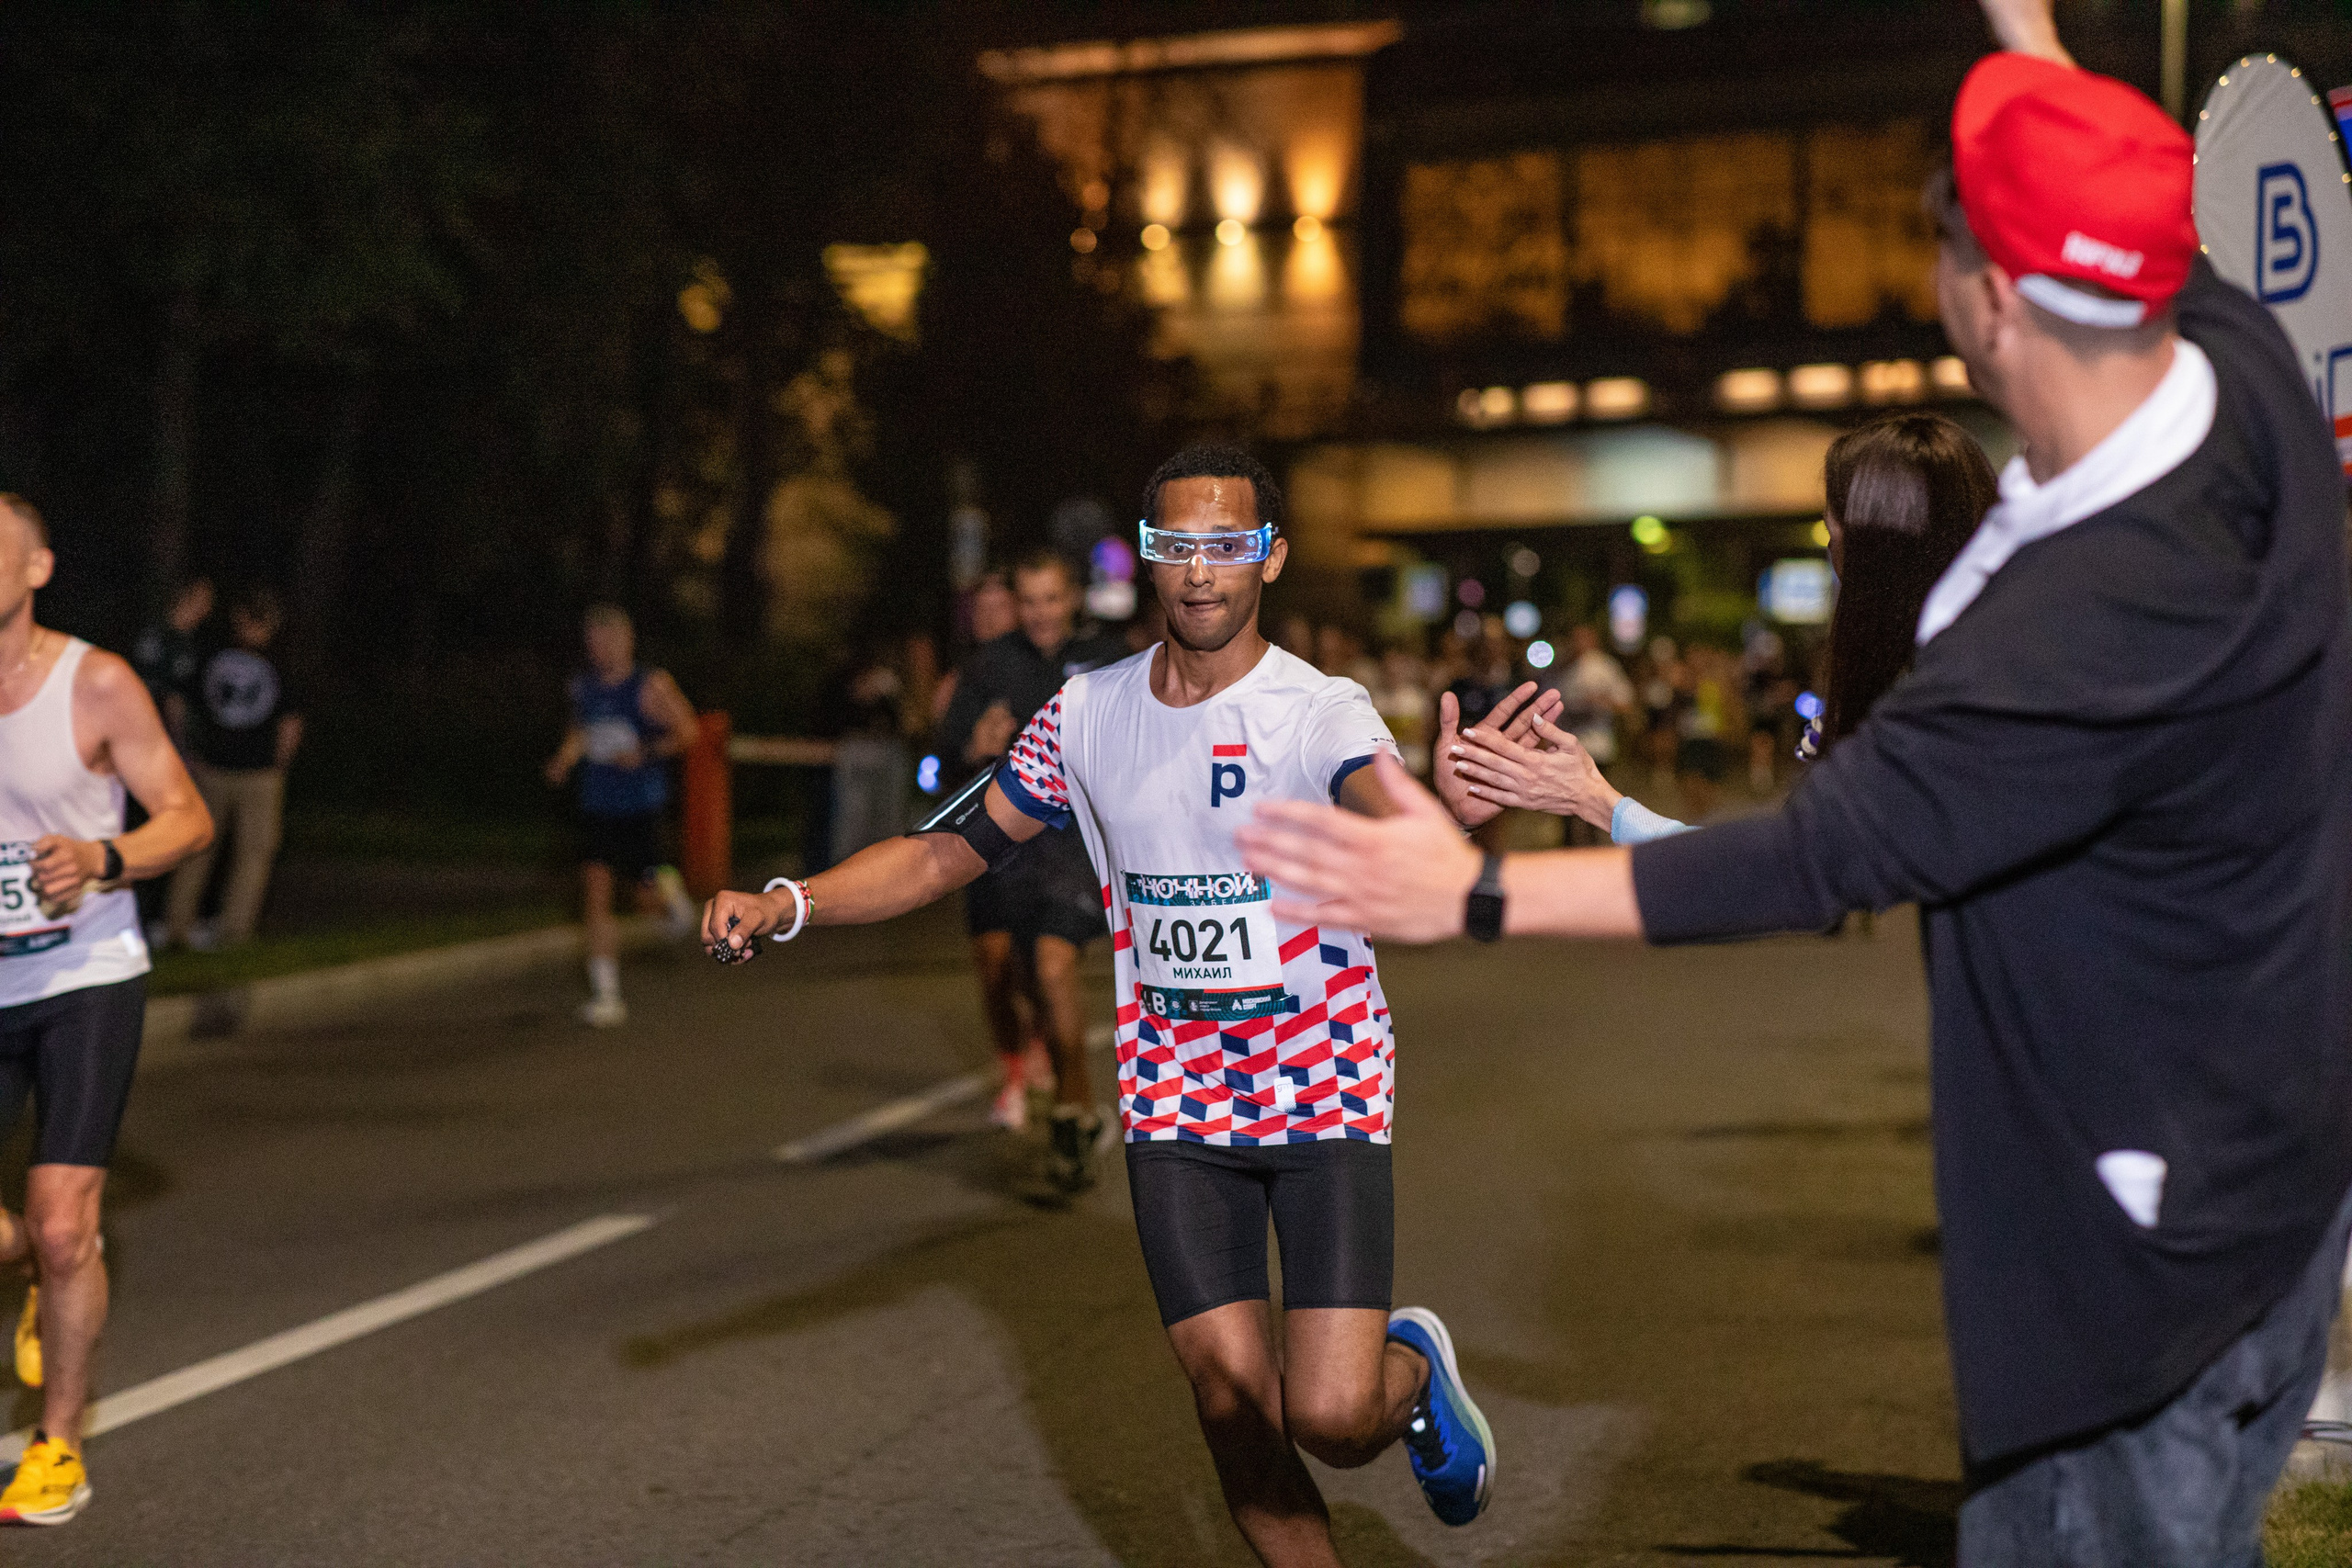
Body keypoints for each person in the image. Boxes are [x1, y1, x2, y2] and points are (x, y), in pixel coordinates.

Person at [1236, 4, 2352, 1561]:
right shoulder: (2250, 399)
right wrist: (2027, 38)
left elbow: (1806, 863)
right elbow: (2119, 186)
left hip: (2140, 1278)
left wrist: (1469, 886)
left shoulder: (2064, 635)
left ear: (1995, 304)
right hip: (2284, 1194)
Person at [707, 446, 1565, 1565]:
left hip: (1325, 1081)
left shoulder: (1314, 710)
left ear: (1270, 557)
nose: (1200, 573)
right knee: (1226, 1398)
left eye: (1227, 546)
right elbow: (939, 856)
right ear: (1146, 560)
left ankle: (1407, 1386)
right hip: (1175, 1095)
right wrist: (786, 903)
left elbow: (1387, 807)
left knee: (1327, 1415)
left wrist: (1438, 815)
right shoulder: (1084, 714)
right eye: (1177, 547)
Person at [1448, 414, 1996, 845]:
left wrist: (1593, 801)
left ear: (1881, 552)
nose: (1834, 564)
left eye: (1836, 539)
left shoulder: (1937, 703)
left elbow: (1782, 871)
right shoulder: (2002, 671)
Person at [0, 494, 213, 1523]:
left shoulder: (97, 684)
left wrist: (104, 857)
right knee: (39, 1236)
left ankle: (58, 1446)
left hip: (83, 975)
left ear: (37, 568)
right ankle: (46, 1261)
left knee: (63, 1218)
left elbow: (189, 816)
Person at [935, 550, 1124, 1159]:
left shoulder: (1110, 661)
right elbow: (940, 760)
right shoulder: (991, 667)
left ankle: (1076, 1100)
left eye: (1052, 598)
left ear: (1072, 598)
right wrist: (972, 746)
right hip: (1005, 850)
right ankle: (1034, 1069)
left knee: (1051, 963)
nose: (1042, 612)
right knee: (1004, 967)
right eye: (1030, 600)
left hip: (1075, 849)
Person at [544, 604, 698, 1028]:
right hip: (596, 805)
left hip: (640, 806)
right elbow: (581, 730)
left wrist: (644, 753)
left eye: (607, 641)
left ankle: (670, 897)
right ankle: (606, 996)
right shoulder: (583, 688)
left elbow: (688, 732)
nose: (599, 650)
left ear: (626, 641)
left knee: (645, 897)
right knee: (596, 890)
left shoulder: (651, 686)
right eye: (592, 643)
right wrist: (565, 758)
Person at [161, 585, 302, 952]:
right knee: (253, 853)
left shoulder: (211, 657)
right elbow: (290, 724)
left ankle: (178, 925)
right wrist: (279, 764)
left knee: (199, 847)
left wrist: (186, 748)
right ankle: (233, 931)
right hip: (257, 772)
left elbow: (177, 703)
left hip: (211, 766)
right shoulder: (280, 662)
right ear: (271, 623)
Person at [128, 577, 211, 749]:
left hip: (143, 728)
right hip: (146, 730)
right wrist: (180, 743)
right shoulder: (168, 639)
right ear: (185, 597)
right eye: (203, 600)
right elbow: (173, 699)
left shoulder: (190, 640)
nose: (207, 609)